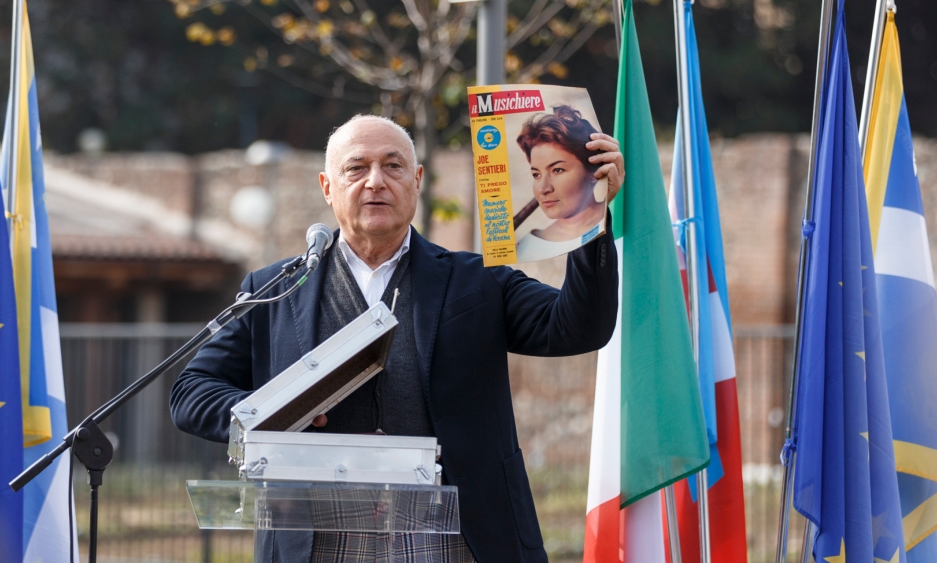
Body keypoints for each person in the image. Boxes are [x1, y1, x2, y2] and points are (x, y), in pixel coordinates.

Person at [170, 114, 624, 562]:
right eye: (356, 168)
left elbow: (577, 327)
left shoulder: (479, 281)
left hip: (456, 539)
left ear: (417, 179)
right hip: (315, 541)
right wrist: (277, 415)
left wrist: (588, 217)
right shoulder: (275, 289)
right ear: (327, 187)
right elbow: (191, 394)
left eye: (393, 166)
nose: (375, 181)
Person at [514, 106, 608, 262]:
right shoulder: (525, 250)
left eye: (557, 170)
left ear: (593, 171)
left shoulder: (623, 223)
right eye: (536, 175)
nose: (544, 189)